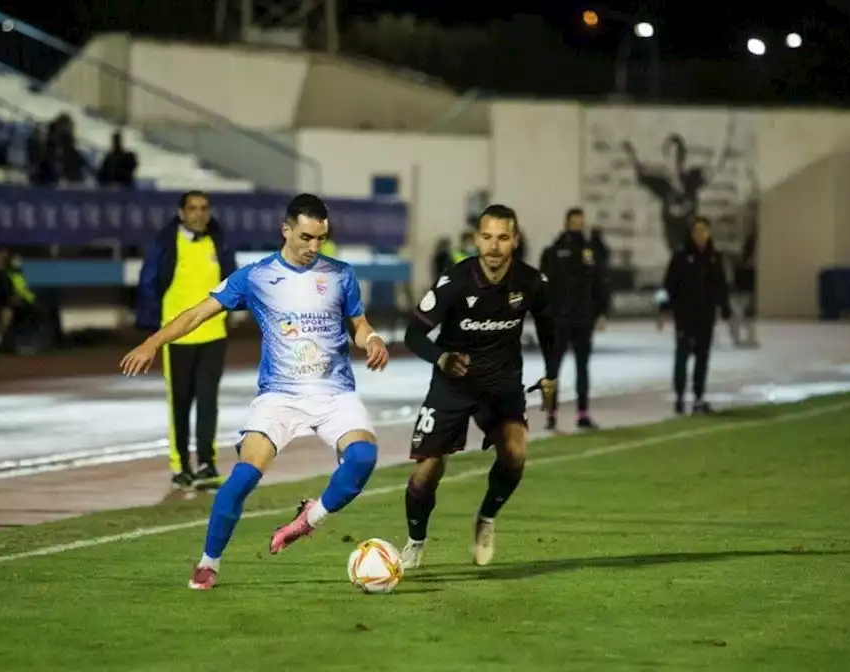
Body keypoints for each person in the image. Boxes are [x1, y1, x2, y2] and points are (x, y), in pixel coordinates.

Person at [119, 193, 390, 591]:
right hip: (279, 396)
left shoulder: (340, 274)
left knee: (364, 456)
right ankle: (209, 563)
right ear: (286, 230)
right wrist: (151, 343)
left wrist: (373, 339)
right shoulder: (257, 276)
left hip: (334, 393)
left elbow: (359, 324)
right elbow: (197, 313)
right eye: (305, 237)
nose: (313, 247)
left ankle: (306, 521)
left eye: (321, 238)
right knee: (242, 479)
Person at [400, 204, 558, 569]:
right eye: (487, 237)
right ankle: (415, 541)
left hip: (501, 385)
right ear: (476, 240)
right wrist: (440, 358)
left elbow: (550, 327)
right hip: (452, 386)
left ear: (515, 241)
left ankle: (486, 519)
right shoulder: (455, 281)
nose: (494, 246)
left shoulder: (531, 282)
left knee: (515, 454)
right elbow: (413, 333)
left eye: (503, 237)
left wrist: (550, 374)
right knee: (427, 473)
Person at [136, 191, 237, 490]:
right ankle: (181, 466)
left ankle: (206, 463)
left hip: (214, 333)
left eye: (204, 208)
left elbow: (232, 280)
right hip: (177, 337)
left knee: (208, 401)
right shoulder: (167, 243)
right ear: (181, 213)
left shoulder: (219, 241)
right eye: (192, 208)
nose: (199, 214)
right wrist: (152, 324)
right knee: (179, 403)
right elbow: (149, 281)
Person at [539, 207, 610, 431]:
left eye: (581, 222)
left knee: (582, 367)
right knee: (552, 369)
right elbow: (542, 287)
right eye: (575, 222)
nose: (579, 226)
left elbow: (600, 284)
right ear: (567, 223)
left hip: (583, 318)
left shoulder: (590, 253)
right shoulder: (553, 252)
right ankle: (550, 414)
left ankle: (583, 413)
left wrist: (602, 313)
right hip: (558, 319)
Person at [657, 217, 734, 415]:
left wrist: (725, 308)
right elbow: (668, 284)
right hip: (684, 315)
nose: (701, 235)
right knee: (682, 356)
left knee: (702, 358)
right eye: (697, 231)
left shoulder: (714, 257)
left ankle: (699, 398)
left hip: (706, 316)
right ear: (691, 234)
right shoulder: (680, 257)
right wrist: (663, 309)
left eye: (705, 231)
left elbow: (721, 285)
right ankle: (680, 397)